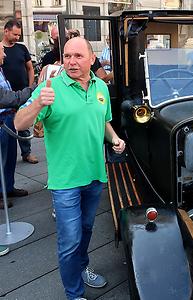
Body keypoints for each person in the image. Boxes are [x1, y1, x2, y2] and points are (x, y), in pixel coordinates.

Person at [14, 36, 125, 300]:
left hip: (95, 176)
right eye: (67, 56)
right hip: (65, 182)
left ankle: (83, 266)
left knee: (86, 231)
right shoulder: (51, 88)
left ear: (91, 59)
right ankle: (74, 294)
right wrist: (39, 102)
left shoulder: (100, 87)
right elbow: (19, 122)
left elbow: (102, 122)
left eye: (77, 56)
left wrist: (115, 138)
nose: (71, 62)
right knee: (70, 241)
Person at [0, 41, 35, 255]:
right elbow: (6, 97)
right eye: (1, 51)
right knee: (2, 159)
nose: (4, 54)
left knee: (10, 157)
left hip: (7, 120)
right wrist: (30, 92)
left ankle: (8, 188)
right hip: (2, 119)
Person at [1, 19, 38, 164]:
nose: (17, 37)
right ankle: (7, 155)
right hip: (6, 97)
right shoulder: (0, 50)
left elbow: (30, 68)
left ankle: (26, 153)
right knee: (8, 128)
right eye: (15, 34)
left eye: (19, 35)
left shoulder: (22, 48)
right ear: (6, 31)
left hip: (23, 94)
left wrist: (29, 87)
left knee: (24, 125)